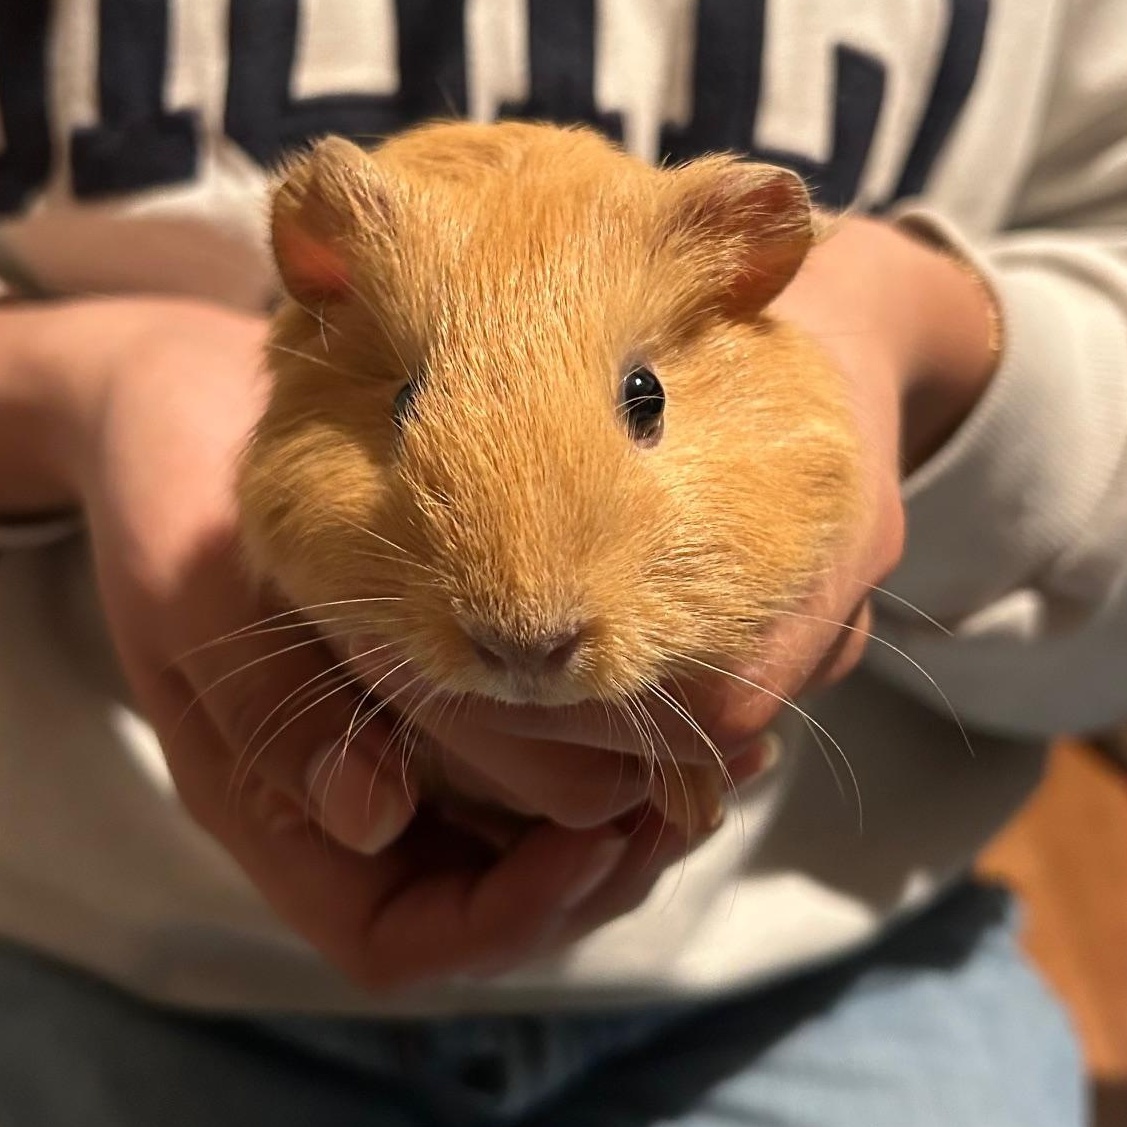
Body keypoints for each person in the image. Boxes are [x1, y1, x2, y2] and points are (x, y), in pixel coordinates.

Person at [0, 1, 1124, 1123]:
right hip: (115, 959)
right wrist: (74, 390)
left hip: (820, 958)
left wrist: (932, 347)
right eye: (407, 404)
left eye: (643, 403)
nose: (521, 616)